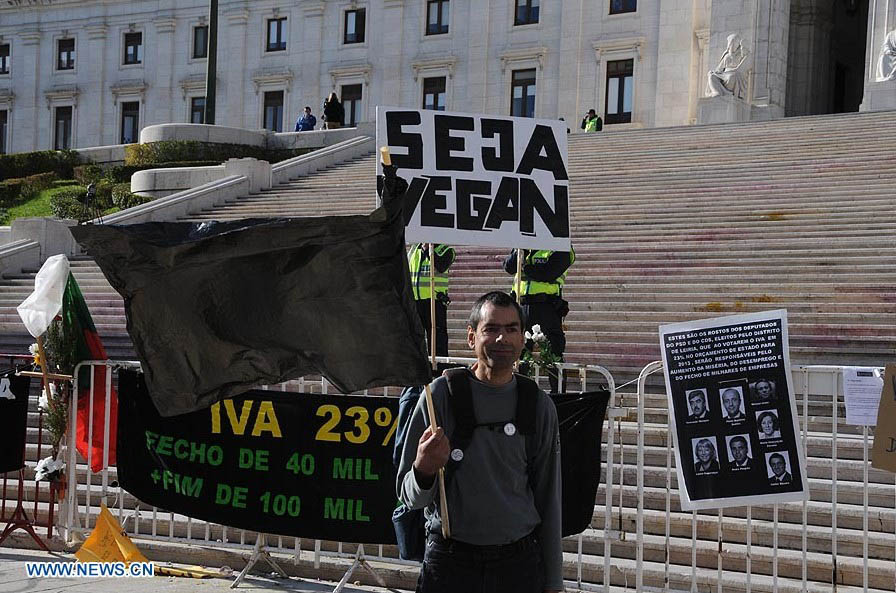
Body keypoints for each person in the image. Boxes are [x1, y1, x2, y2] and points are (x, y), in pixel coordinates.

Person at [396, 291, 563, 593]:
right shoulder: (439, 397)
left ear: (523, 339)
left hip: (518, 566)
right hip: (450, 563)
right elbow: (409, 497)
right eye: (492, 329)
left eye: (512, 329)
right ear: (472, 338)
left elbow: (549, 498)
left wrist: (553, 582)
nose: (503, 339)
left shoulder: (537, 405)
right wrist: (424, 470)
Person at [503, 248, 575, 392]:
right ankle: (521, 392)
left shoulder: (562, 247)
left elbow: (547, 273)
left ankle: (558, 394)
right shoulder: (523, 246)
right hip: (521, 306)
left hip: (546, 307)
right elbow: (508, 267)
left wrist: (524, 266)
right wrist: (519, 252)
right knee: (521, 353)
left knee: (554, 353)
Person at [408, 243, 456, 358]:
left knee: (437, 339)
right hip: (415, 301)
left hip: (435, 302)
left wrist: (428, 250)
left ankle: (439, 367)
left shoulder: (446, 250)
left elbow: (441, 266)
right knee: (414, 338)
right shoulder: (414, 250)